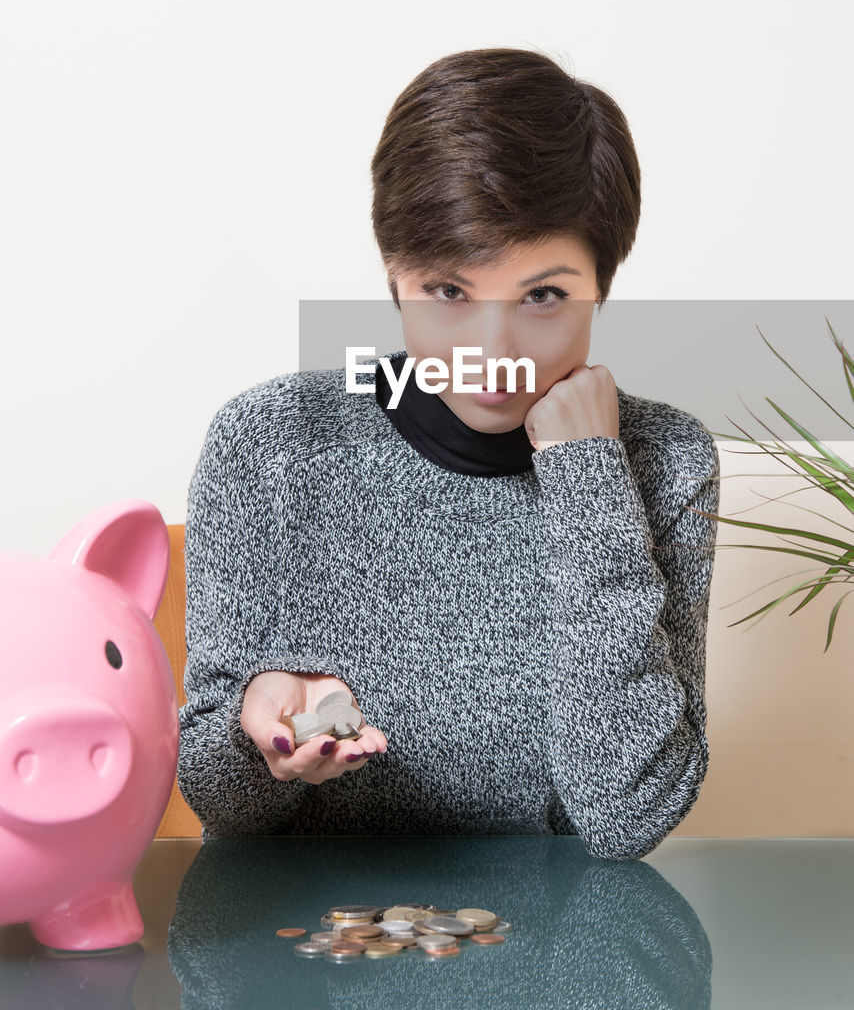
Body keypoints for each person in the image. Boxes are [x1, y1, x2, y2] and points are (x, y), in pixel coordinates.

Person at [177, 47, 720, 860]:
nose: (493, 348)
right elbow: (219, 800)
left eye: (542, 295)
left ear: (601, 287)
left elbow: (625, 817)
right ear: (395, 278)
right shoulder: (273, 442)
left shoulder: (664, 460)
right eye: (448, 293)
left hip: (560, 967)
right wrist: (261, 731)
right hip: (317, 960)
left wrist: (590, 482)